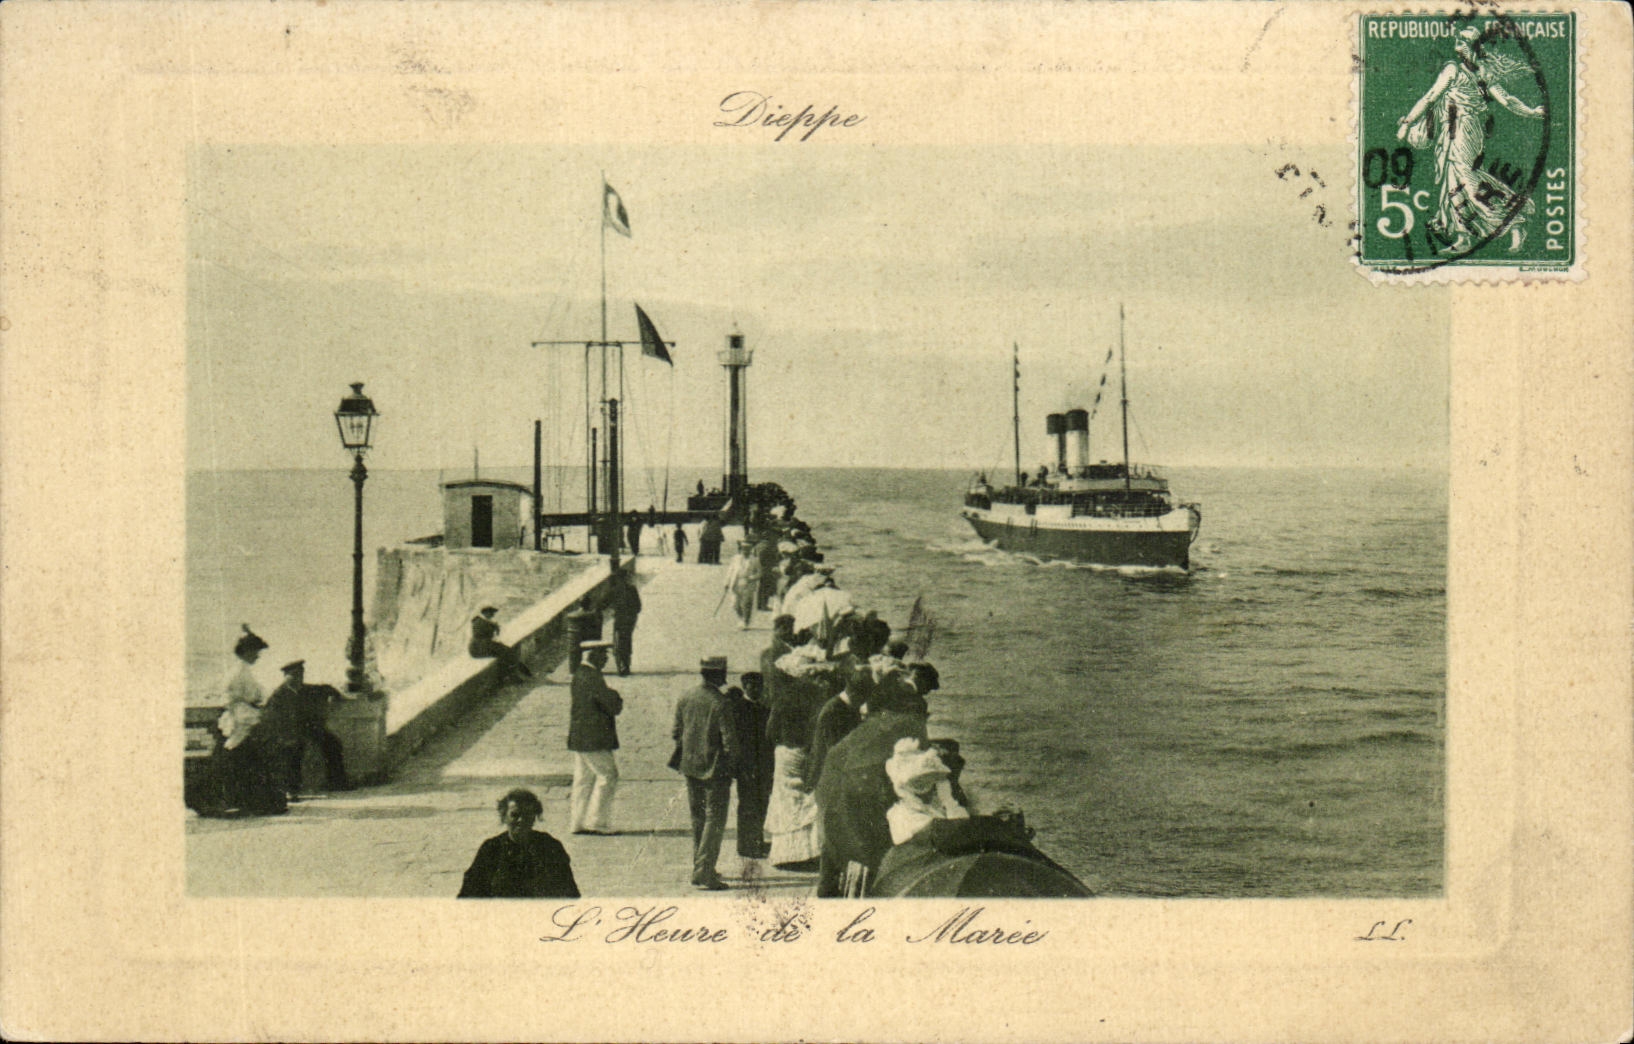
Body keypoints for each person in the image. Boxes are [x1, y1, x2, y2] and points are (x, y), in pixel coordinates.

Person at [1397, 25, 1546, 254]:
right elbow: (1430, 98)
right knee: (1453, 182)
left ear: (1472, 46)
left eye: (1463, 42)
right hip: (1452, 132)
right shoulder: (1458, 70)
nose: (1458, 45)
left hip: (1465, 131)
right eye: (1459, 41)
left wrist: (1531, 112)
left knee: (1468, 180)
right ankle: (1463, 237)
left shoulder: (1469, 72)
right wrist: (1408, 121)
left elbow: (1506, 100)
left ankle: (1516, 221)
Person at [814, 669, 930, 897]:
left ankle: (829, 885)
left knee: (837, 841)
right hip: (858, 792)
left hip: (832, 783)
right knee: (872, 846)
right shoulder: (909, 725)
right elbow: (916, 769)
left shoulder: (878, 722)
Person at [672, 656, 739, 890]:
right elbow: (729, 741)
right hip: (715, 770)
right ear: (719, 675)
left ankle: (699, 865)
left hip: (690, 767)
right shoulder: (720, 703)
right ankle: (704, 871)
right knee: (715, 819)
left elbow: (676, 732)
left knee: (698, 818)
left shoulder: (686, 697)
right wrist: (736, 766)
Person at [211, 625, 287, 816]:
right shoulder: (238, 673)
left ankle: (252, 802)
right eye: (255, 652)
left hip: (245, 718)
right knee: (246, 763)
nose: (258, 656)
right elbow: (234, 700)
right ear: (246, 652)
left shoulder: (243, 671)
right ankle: (250, 802)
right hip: (240, 721)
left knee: (250, 764)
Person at [458, 788, 580, 898]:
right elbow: (469, 895)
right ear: (504, 817)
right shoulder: (491, 848)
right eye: (515, 815)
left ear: (535, 816)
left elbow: (569, 894)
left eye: (527, 814)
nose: (521, 820)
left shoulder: (550, 847)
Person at [261, 659, 351, 800]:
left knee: (333, 743)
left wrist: (336, 697)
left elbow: (327, 688)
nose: (299, 678)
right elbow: (272, 718)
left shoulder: (306, 689)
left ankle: (336, 781)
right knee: (293, 751)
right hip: (287, 732)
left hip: (308, 729)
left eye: (301, 674)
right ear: (286, 677)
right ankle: (291, 790)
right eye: (294, 675)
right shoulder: (278, 695)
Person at [567, 640, 622, 834]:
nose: (606, 659)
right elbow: (611, 704)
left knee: (583, 780)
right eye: (603, 655)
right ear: (593, 656)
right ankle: (597, 822)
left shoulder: (580, 674)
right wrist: (615, 695)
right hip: (594, 738)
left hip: (581, 737)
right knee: (608, 776)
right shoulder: (592, 677)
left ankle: (577, 822)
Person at [724, 672, 774, 860]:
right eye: (751, 686)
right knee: (748, 805)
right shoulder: (738, 710)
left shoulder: (764, 709)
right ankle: (746, 846)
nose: (755, 689)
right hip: (747, 766)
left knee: (761, 804)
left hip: (763, 766)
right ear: (745, 687)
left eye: (758, 686)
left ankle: (757, 841)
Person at [469, 606, 532, 681]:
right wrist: (493, 627)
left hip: (483, 646)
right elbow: (483, 634)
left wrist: (494, 628)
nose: (493, 615)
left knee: (505, 653)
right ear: (485, 612)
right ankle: (513, 674)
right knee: (506, 652)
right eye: (491, 613)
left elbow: (492, 636)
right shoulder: (479, 622)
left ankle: (511, 674)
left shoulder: (484, 621)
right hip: (478, 647)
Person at [607, 569, 642, 677]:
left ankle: (621, 663)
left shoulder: (614, 590)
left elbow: (603, 603)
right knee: (627, 639)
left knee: (619, 639)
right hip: (630, 619)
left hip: (620, 619)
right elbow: (638, 607)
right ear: (626, 578)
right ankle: (626, 664)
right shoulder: (632, 589)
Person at [722, 540, 760, 630]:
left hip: (748, 584)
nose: (745, 551)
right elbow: (730, 571)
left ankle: (745, 622)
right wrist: (726, 582)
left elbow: (759, 573)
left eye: (747, 549)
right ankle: (741, 618)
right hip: (736, 583)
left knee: (746, 603)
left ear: (750, 550)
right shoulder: (736, 559)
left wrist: (752, 577)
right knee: (735, 604)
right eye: (743, 549)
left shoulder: (755, 560)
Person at [565, 596, 602, 670]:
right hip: (591, 639)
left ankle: (574, 668)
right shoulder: (593, 615)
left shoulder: (572, 615)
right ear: (589, 604)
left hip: (575, 640)